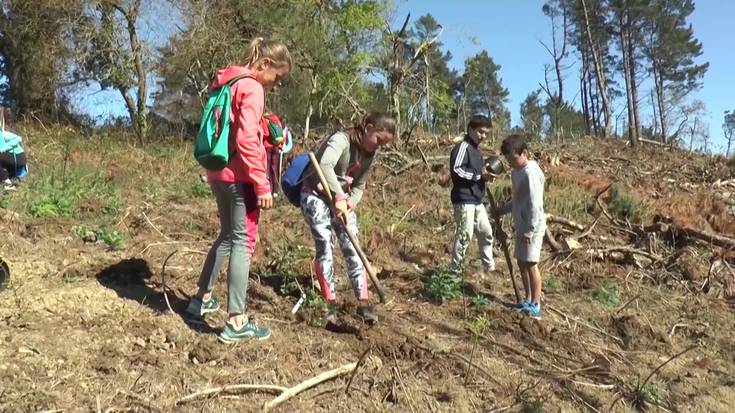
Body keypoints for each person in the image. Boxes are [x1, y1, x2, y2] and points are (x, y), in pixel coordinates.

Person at [184, 37, 292, 344]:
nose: (276, 84)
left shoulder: (227, 82)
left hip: (217, 170)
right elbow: (245, 139)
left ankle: (201, 299)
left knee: (227, 236)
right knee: (243, 241)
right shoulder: (253, 87)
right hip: (239, 176)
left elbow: (233, 129)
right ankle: (236, 320)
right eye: (278, 77)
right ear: (266, 64)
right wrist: (263, 184)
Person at [301, 112, 395, 325]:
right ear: (369, 128)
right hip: (315, 194)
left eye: (384, 144)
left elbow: (360, 186)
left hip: (342, 202)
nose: (379, 146)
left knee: (353, 247)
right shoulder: (341, 140)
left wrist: (349, 202)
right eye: (379, 140)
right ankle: (329, 303)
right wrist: (339, 196)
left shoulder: (371, 155)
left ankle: (364, 302)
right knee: (325, 245)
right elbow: (324, 165)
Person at [494, 135, 546, 320]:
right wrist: (502, 210)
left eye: (513, 159)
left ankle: (536, 305)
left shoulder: (531, 172)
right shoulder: (516, 172)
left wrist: (530, 231)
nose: (510, 163)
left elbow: (534, 205)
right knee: (521, 262)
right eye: (508, 160)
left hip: (533, 225)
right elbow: (517, 200)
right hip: (521, 224)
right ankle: (528, 298)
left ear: (524, 153)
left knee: (531, 264)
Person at [449, 115, 496, 277]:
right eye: (480, 132)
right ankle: (455, 273)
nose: (483, 136)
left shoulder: (477, 151)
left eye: (486, 133)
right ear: (470, 130)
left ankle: (489, 268)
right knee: (464, 234)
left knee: (486, 232)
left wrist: (486, 176)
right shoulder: (463, 147)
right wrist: (478, 176)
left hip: (477, 200)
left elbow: (479, 173)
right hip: (463, 199)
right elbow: (457, 169)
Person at [0, 127, 28, 191]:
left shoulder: (4, 134)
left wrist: (5, 147)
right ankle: (7, 180)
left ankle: (7, 182)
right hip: (8, 161)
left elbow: (18, 138)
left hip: (18, 157)